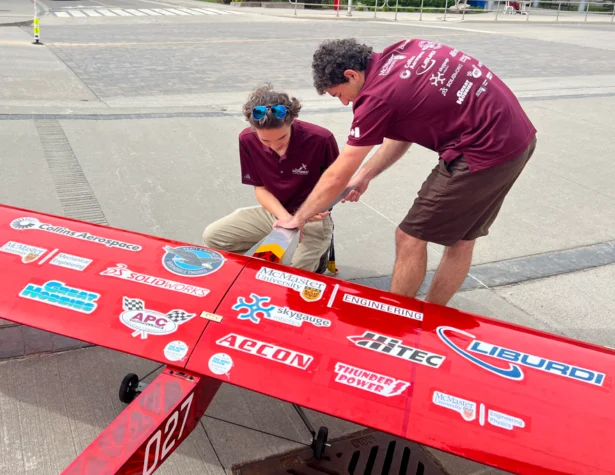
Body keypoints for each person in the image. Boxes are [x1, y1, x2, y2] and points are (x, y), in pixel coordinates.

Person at [274, 38, 537, 305]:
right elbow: (403, 130)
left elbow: (338, 173)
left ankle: (397, 317)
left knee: (410, 237)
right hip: (517, 137)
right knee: (462, 240)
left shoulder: (375, 96)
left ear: (351, 75)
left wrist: (299, 217)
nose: (344, 102)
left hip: (484, 151)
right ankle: (430, 316)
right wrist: (365, 175)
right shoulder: (405, 50)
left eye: (338, 94)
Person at [202, 85, 339, 272]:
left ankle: (316, 258)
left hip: (312, 217)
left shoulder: (321, 139)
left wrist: (313, 210)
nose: (275, 146)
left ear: (292, 120)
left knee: (296, 275)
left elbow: (337, 183)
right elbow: (260, 188)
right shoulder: (247, 139)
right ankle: (277, 264)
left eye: (282, 138)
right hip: (275, 212)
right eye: (265, 141)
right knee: (213, 236)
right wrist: (286, 219)